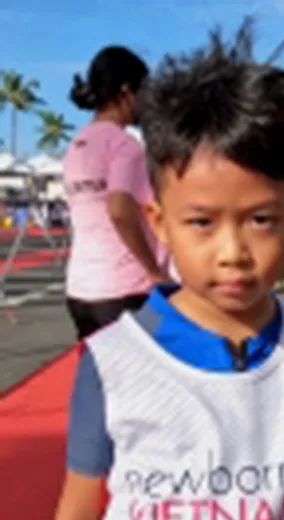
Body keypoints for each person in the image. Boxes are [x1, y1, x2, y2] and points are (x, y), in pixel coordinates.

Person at [48, 24, 284, 520]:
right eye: (202, 222)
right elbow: (78, 512)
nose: (233, 253)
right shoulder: (113, 362)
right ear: (160, 223)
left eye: (261, 219)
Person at [63, 46, 170, 339]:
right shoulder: (124, 145)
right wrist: (155, 272)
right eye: (144, 92)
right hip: (124, 288)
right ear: (126, 92)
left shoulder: (76, 146)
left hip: (81, 289)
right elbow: (120, 210)